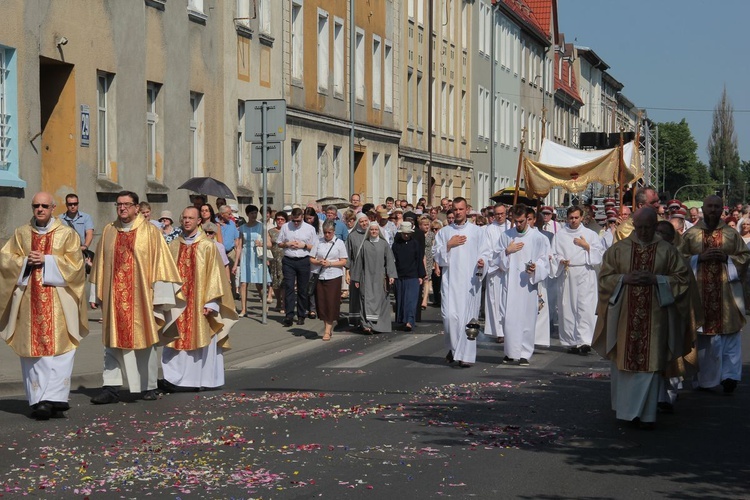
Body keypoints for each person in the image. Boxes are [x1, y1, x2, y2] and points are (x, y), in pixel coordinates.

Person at [593, 207, 692, 428]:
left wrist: (658, 280)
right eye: (640, 228)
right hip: (625, 318)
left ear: (655, 225)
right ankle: (627, 412)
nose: (644, 232)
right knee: (624, 363)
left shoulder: (667, 250)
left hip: (655, 318)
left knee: (651, 363)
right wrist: (624, 279)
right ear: (634, 227)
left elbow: (682, 279)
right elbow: (604, 279)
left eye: (648, 227)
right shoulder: (619, 250)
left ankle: (647, 415)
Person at [89, 190, 184, 404]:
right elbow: (100, 263)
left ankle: (148, 386)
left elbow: (161, 265)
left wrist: (159, 297)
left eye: (126, 204)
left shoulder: (150, 232)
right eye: (118, 204)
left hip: (142, 296)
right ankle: (111, 387)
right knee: (112, 343)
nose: (122, 208)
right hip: (114, 298)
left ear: (136, 208)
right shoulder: (109, 231)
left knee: (146, 342)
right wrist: (96, 292)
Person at [0, 192, 88, 420]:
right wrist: (24, 262)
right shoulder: (21, 233)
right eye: (36, 205)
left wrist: (47, 260)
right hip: (30, 301)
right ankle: (40, 400)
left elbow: (76, 266)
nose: (40, 209)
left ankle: (57, 398)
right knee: (34, 352)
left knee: (61, 350)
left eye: (44, 206)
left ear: (53, 208)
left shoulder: (66, 234)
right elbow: (5, 260)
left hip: (58, 301)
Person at [159, 207, 238, 393]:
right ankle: (173, 378)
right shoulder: (173, 245)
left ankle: (201, 379)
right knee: (175, 339)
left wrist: (212, 303)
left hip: (200, 302)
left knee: (202, 338)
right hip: (178, 302)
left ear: (198, 222)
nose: (187, 221)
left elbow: (215, 275)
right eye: (184, 217)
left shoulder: (208, 246)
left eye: (191, 218)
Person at [680, 195, 750, 393]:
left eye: (716, 207)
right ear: (703, 208)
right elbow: (678, 259)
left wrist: (728, 259)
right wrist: (697, 259)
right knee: (704, 339)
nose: (712, 210)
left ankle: (730, 376)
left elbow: (744, 256)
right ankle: (705, 379)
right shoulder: (691, 234)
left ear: (722, 210)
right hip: (700, 294)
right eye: (709, 206)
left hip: (726, 294)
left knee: (731, 334)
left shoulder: (730, 234)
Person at [433, 197, 490, 367]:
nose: (458, 212)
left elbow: (486, 252)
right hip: (450, 282)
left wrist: (482, 262)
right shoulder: (444, 232)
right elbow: (436, 255)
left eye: (461, 209)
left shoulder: (477, 232)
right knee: (449, 318)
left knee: (468, 321)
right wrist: (448, 246)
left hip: (470, 282)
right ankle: (455, 349)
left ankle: (466, 357)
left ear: (467, 210)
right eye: (455, 209)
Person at [495, 204, 551, 366]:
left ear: (528, 218)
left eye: (521, 221)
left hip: (527, 285)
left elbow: (544, 260)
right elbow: (496, 259)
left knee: (527, 319)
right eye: (515, 221)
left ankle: (525, 353)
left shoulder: (539, 238)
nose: (518, 225)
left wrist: (536, 268)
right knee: (509, 318)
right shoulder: (507, 236)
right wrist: (507, 251)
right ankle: (510, 352)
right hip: (509, 283)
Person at [551, 206, 604, 354]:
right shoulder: (560, 235)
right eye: (571, 218)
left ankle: (585, 340)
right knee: (568, 307)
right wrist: (561, 260)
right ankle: (571, 341)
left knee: (585, 306)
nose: (573, 220)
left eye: (576, 217)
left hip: (585, 272)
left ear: (581, 218)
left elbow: (599, 253)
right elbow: (554, 254)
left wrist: (587, 247)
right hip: (567, 273)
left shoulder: (590, 234)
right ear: (567, 218)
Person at [350, 222, 397, 334]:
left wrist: (391, 275)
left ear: (379, 231)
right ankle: (366, 325)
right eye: (372, 230)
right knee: (364, 299)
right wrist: (356, 279)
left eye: (376, 229)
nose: (374, 231)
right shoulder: (364, 244)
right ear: (369, 231)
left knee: (380, 301)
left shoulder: (384, 244)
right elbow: (359, 262)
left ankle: (379, 326)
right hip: (366, 278)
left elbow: (389, 260)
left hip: (380, 278)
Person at [277, 207, 318, 327]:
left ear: (302, 218)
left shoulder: (309, 229)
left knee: (302, 289)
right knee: (289, 287)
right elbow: (279, 243)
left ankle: (301, 314)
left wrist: (303, 245)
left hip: (303, 259)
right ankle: (289, 315)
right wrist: (287, 244)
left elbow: (314, 247)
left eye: (298, 221)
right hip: (289, 259)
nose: (295, 223)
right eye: (294, 221)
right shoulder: (285, 227)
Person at [310, 220, 348, 341]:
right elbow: (311, 258)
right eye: (325, 232)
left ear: (333, 232)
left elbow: (343, 261)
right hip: (320, 275)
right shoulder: (318, 241)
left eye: (329, 232)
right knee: (322, 303)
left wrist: (330, 263)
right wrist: (318, 261)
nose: (327, 235)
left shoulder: (339, 243)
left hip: (334, 276)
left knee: (331, 302)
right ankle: (325, 325)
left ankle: (328, 330)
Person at [234, 205, 270, 318]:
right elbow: (239, 246)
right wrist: (236, 263)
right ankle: (244, 309)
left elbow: (269, 244)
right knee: (243, 283)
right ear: (247, 214)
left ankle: (264, 305)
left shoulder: (262, 227)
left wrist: (262, 244)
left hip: (257, 255)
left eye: (255, 213)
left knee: (259, 284)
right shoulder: (242, 228)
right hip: (246, 255)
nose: (254, 215)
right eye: (251, 213)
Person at [392, 222, 426, 331]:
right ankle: (402, 319)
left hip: (412, 275)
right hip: (399, 275)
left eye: (408, 233)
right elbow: (393, 261)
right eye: (404, 234)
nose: (406, 235)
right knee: (401, 299)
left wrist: (421, 275)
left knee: (411, 300)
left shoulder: (415, 244)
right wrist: (392, 275)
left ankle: (410, 321)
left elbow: (419, 259)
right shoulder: (396, 245)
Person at [484, 205, 510, 344]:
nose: (499, 216)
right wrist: (499, 261)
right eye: (497, 214)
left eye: (502, 213)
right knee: (495, 301)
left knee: (507, 301)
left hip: (509, 271)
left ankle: (509, 329)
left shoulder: (511, 227)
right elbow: (487, 250)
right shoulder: (489, 229)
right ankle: (499, 331)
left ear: (506, 213)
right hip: (495, 271)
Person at [345, 213, 370, 328]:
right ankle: (356, 319)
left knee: (368, 295)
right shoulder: (352, 236)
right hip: (356, 269)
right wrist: (347, 272)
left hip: (370, 270)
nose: (364, 223)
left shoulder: (373, 233)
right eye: (361, 221)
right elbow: (348, 255)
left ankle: (367, 319)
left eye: (366, 221)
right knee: (356, 295)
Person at [217, 204, 240, 298]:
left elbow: (236, 240)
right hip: (218, 253)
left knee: (232, 276)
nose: (231, 216)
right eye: (229, 214)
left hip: (230, 252)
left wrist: (237, 256)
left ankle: (232, 296)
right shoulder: (216, 224)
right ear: (222, 214)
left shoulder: (232, 223)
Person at [268, 211, 287, 312]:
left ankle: (284, 304)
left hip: (285, 259)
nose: (280, 221)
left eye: (282, 219)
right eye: (278, 219)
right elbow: (269, 244)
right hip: (274, 259)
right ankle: (279, 302)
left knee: (283, 282)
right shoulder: (271, 231)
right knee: (275, 282)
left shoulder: (288, 231)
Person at [419, 216, 436, 311]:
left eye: (428, 225)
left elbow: (434, 247)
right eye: (425, 225)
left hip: (429, 258)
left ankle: (424, 300)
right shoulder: (418, 234)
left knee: (427, 279)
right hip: (420, 257)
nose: (427, 227)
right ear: (420, 225)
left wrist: (435, 262)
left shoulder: (432, 235)